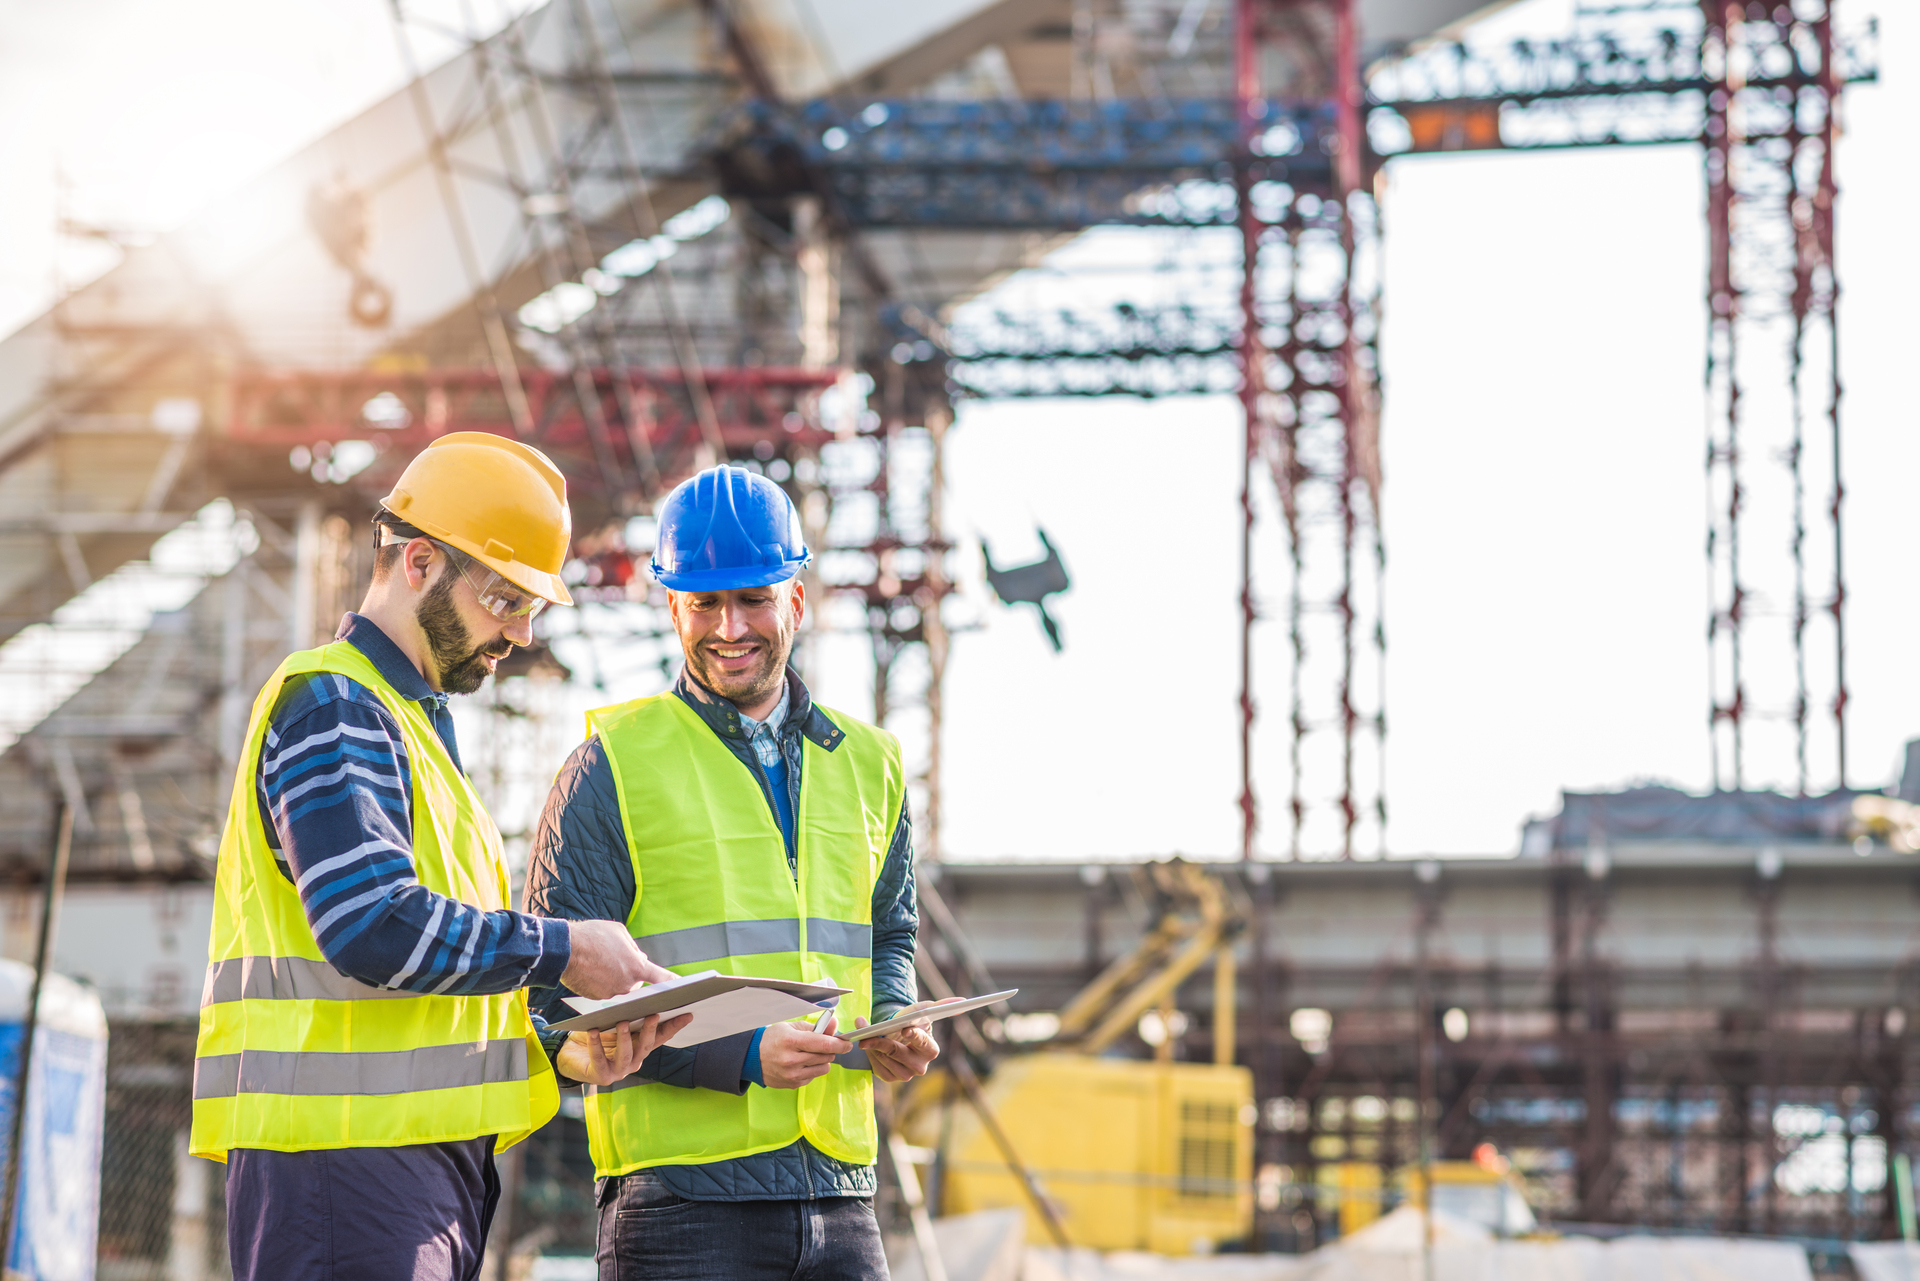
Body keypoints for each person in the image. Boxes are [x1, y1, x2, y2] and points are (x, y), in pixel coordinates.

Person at [192, 432, 689, 1281]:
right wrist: (570, 949)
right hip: (344, 1172)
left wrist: (566, 1049)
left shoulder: (406, 723)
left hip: (403, 1173)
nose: (523, 632)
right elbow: (374, 927)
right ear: (419, 562)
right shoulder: (336, 703)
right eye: (505, 598)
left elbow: (429, 989)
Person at [526, 464, 947, 1281]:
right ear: (672, 606)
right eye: (703, 603)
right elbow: (559, 1003)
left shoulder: (874, 762)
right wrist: (744, 1053)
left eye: (753, 598)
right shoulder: (610, 766)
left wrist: (891, 1018)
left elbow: (890, 930)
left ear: (796, 598)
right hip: (680, 1207)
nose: (729, 627)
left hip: (840, 1192)